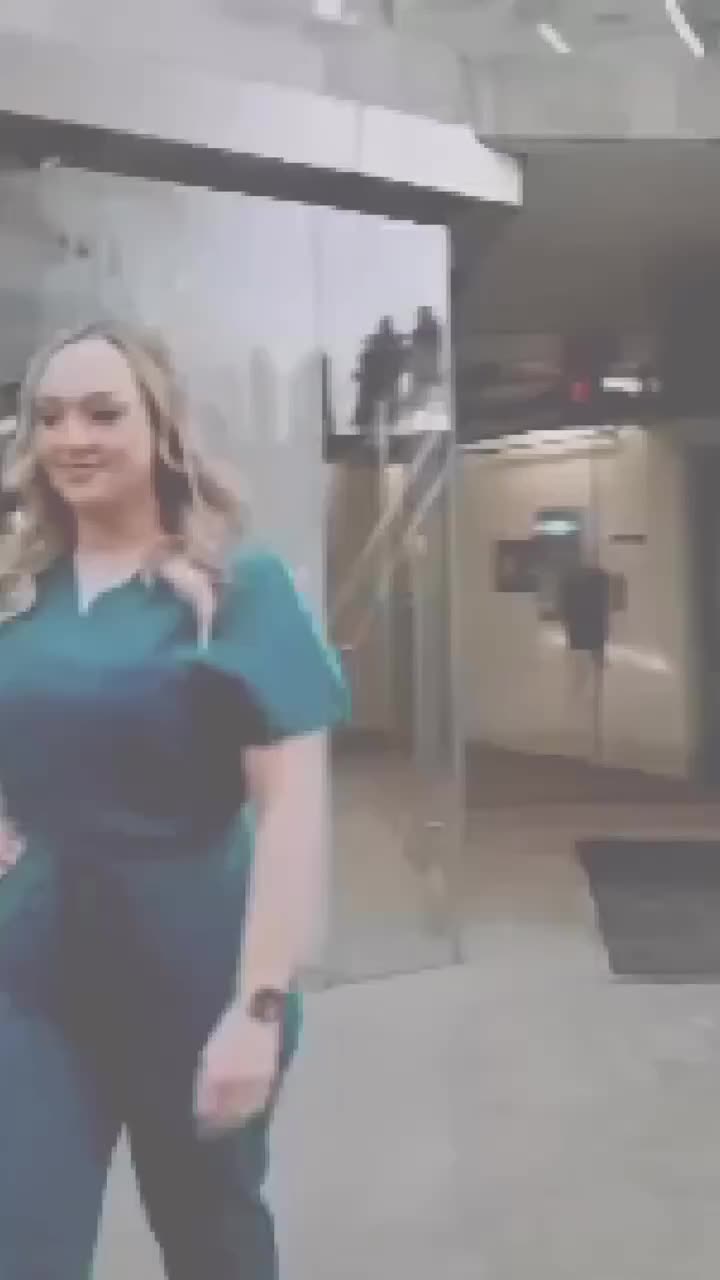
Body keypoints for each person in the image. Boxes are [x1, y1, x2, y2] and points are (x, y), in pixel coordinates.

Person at [0, 321, 349, 1279]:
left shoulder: (239, 587)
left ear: (160, 427)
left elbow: (291, 814)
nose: (72, 438)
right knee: (22, 1247)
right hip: (32, 978)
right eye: (49, 417)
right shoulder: (16, 590)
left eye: (102, 413)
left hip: (195, 975)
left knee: (212, 1244)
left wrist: (259, 1007)